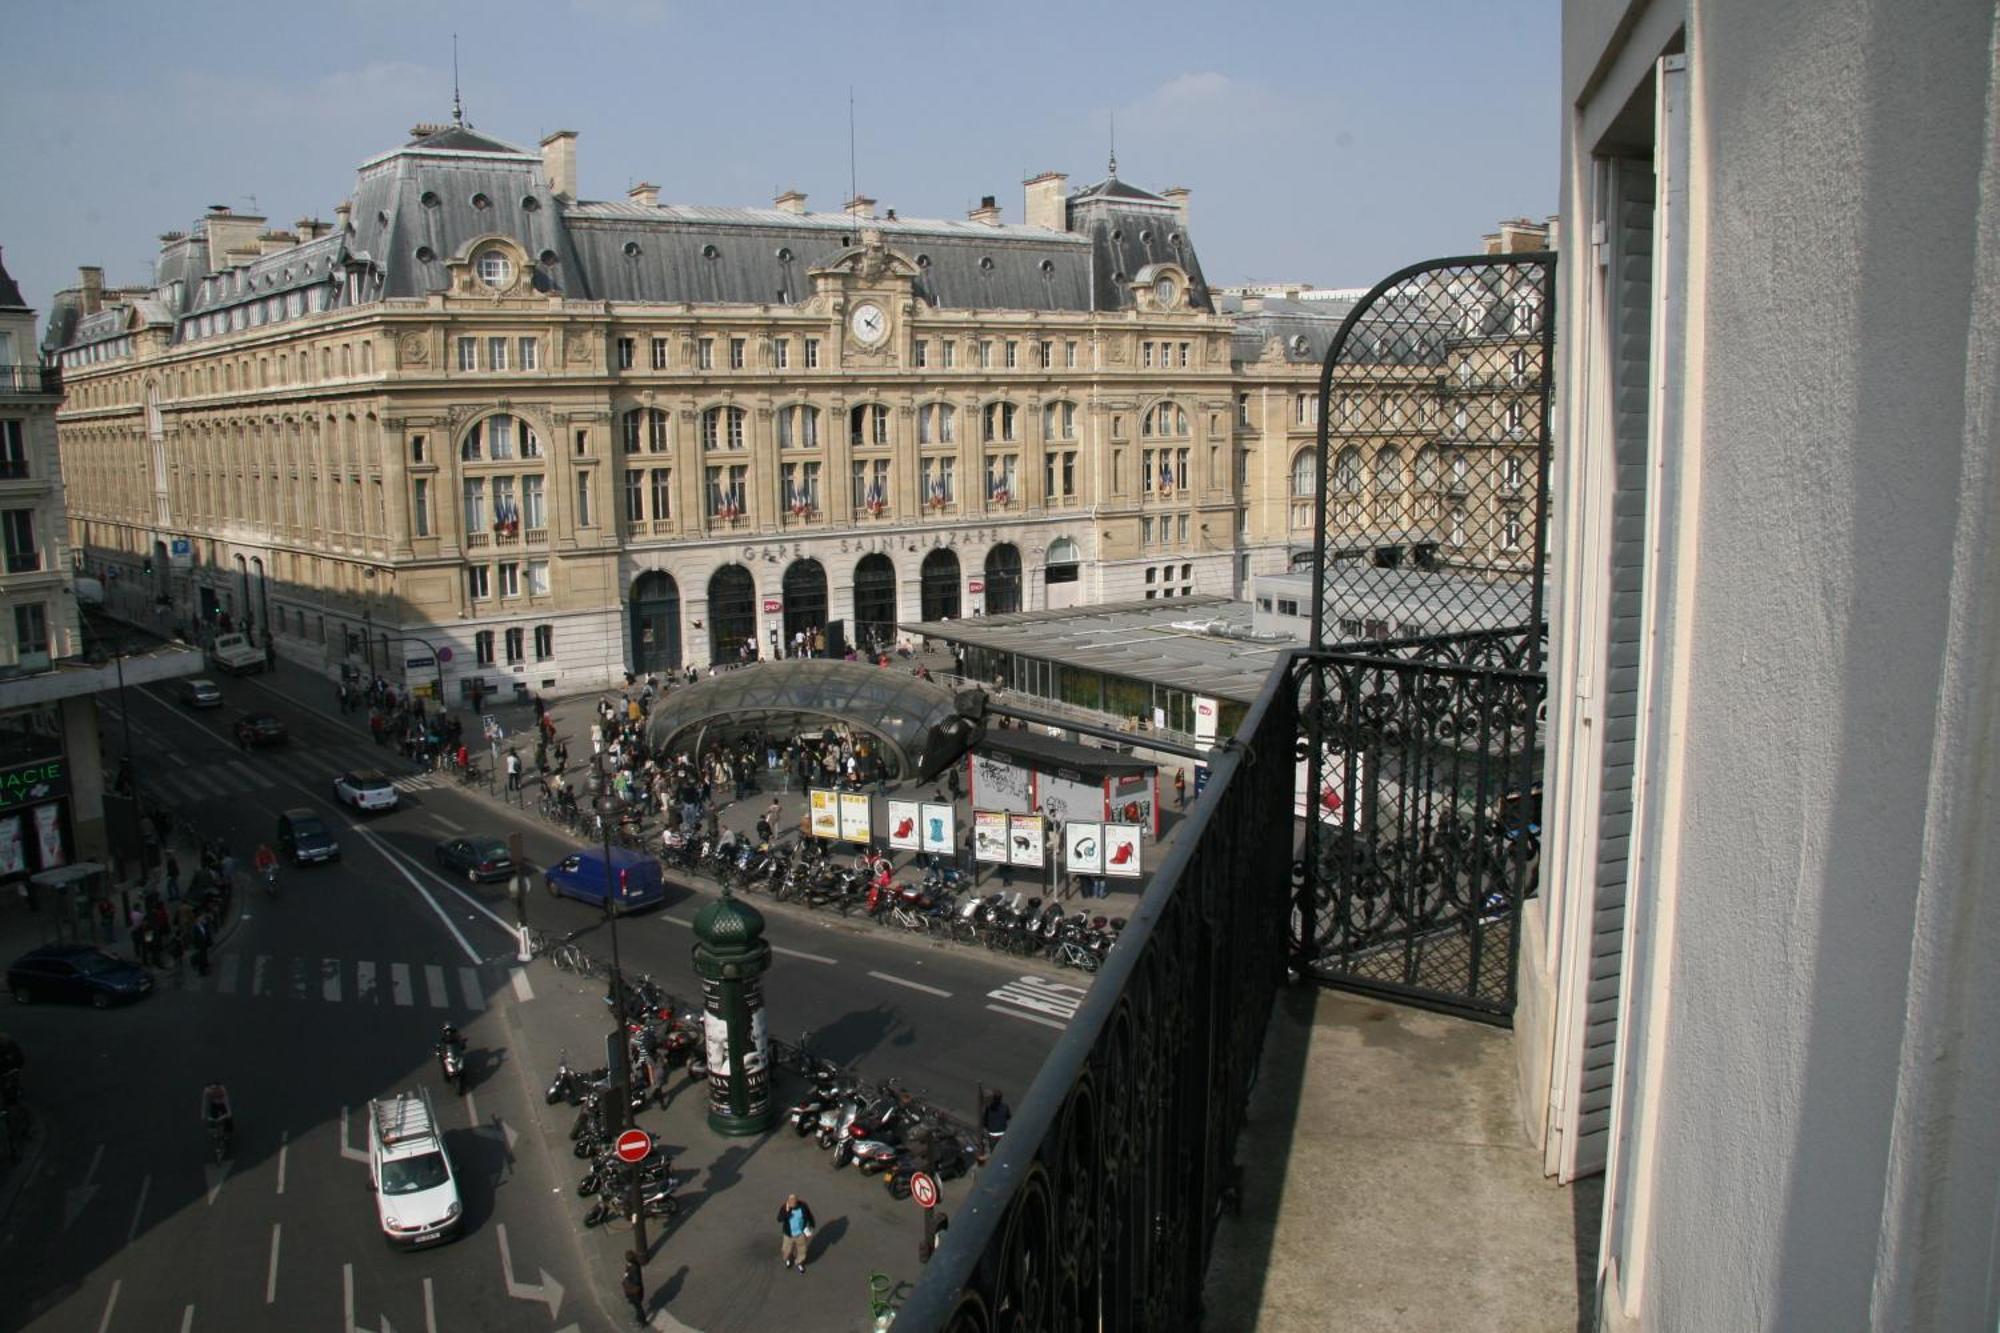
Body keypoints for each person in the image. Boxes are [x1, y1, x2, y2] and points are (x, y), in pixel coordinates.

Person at [776, 1193, 816, 1273]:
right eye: (791, 1204)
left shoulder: (803, 1206)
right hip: (788, 1234)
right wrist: (787, 1213)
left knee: (802, 1250)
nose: (792, 1206)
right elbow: (779, 1219)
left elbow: (809, 1215)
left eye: (794, 1204)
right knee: (786, 1250)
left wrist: (812, 1224)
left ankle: (799, 1262)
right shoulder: (785, 1207)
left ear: (797, 1202)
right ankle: (787, 1259)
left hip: (801, 1233)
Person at [202, 1081, 234, 1147]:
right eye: (212, 1089)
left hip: (222, 1104)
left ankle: (228, 1131)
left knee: (228, 1119)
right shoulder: (207, 1091)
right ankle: (215, 1131)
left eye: (215, 1089)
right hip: (214, 1104)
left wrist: (228, 1113)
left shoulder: (222, 1090)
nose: (214, 1091)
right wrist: (203, 1114)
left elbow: (226, 1101)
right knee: (213, 1118)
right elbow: (205, 1103)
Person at [621, 1250, 646, 1325]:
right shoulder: (631, 1265)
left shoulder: (634, 1268)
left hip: (635, 1291)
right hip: (633, 1290)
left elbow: (636, 1280)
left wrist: (627, 1279)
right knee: (637, 1306)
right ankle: (639, 1318)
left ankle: (642, 1321)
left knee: (638, 1307)